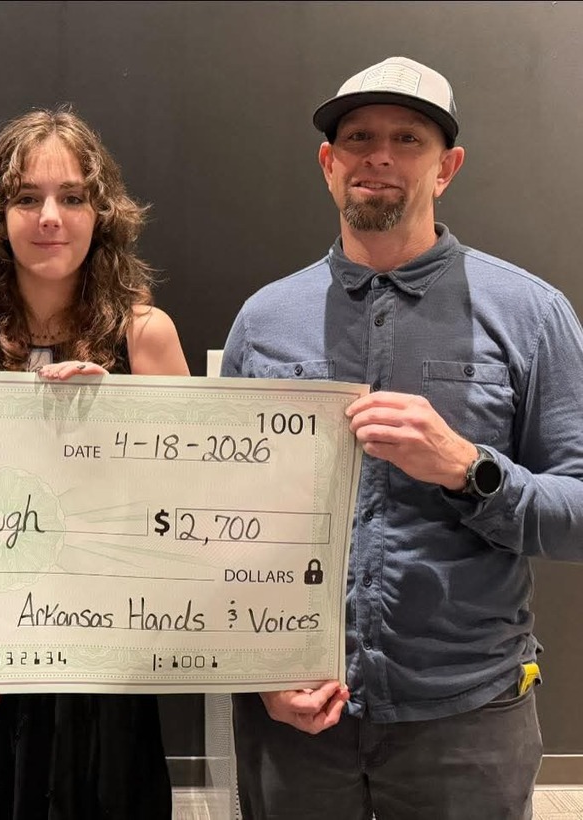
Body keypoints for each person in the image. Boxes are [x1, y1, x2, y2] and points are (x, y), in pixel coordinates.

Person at [221, 55, 583, 819]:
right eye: (357, 137)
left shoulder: (532, 315)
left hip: (467, 716)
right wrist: (259, 668)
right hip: (296, 713)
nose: (378, 156)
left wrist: (468, 468)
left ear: (446, 167)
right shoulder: (265, 319)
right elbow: (225, 520)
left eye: (407, 138)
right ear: (329, 163)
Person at [0, 108, 189, 819]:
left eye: (72, 196)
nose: (49, 217)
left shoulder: (145, 338)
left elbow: (188, 507)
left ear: (102, 212)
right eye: (26, 198)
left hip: (99, 656)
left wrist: (113, 434)